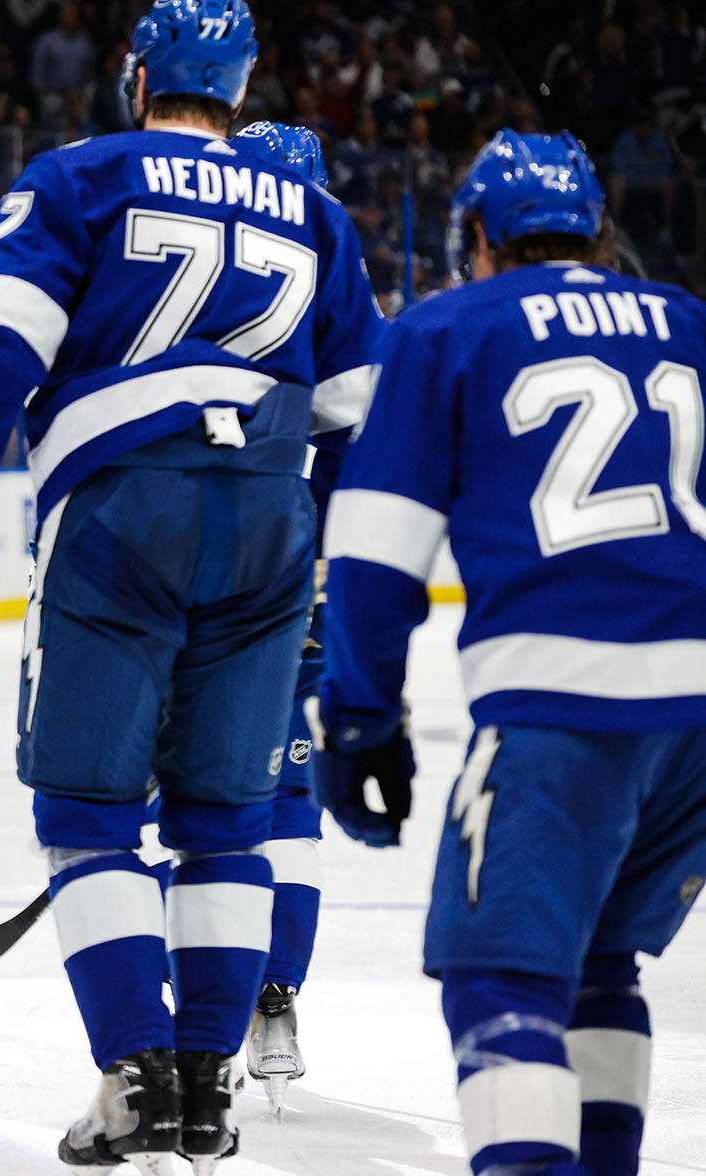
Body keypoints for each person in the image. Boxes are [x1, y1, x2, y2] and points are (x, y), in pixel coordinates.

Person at [0, 0, 383, 1168]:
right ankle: (206, 1088)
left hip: (122, 509)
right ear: (242, 92)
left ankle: (133, 1083)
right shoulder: (314, 210)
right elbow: (360, 410)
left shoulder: (78, 175)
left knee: (90, 813)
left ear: (136, 77)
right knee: (224, 820)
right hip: (271, 519)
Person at [310, 129, 706, 1176]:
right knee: (597, 962)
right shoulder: (689, 323)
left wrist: (358, 717)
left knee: (501, 975)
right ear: (598, 233)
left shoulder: (446, 327)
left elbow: (374, 545)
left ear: (476, 238)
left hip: (562, 698)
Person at [227, 118, 369, 1115]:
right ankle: (269, 992)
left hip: (192, 585)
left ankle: (197, 1012)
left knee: (184, 807)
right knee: (281, 795)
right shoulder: (350, 302)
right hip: (301, 588)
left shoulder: (190, 285)